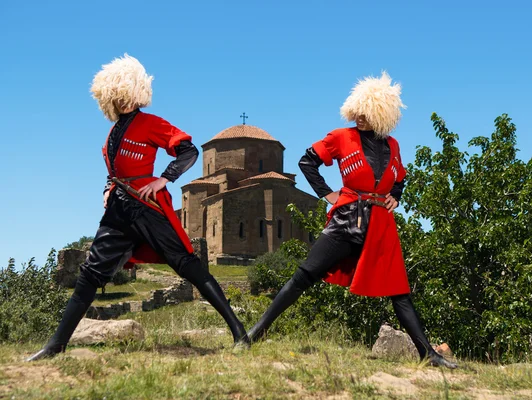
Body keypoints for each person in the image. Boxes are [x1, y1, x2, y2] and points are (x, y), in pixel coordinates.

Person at [27, 54, 248, 361]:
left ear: (134, 93)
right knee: (90, 273)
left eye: (123, 93)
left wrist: (164, 179)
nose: (119, 100)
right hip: (118, 210)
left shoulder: (152, 123)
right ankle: (56, 345)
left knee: (187, 266)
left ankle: (239, 332)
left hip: (148, 208)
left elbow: (189, 150)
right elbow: (113, 169)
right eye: (114, 95)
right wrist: (109, 188)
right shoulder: (113, 132)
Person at [246, 72, 457, 368]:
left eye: (366, 112)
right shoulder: (341, 137)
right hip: (346, 218)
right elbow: (307, 161)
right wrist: (327, 194)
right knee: (304, 276)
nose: (358, 116)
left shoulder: (393, 145)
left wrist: (397, 195)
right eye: (356, 110)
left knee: (400, 293)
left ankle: (429, 354)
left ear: (382, 114)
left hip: (380, 225)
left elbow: (400, 178)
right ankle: (255, 334)